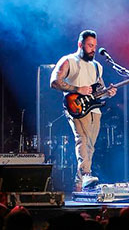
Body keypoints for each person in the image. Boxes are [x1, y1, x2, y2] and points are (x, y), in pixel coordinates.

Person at [50, 30, 116, 191]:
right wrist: (77, 88)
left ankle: (79, 184)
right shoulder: (68, 60)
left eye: (95, 46)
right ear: (80, 45)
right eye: (89, 45)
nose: (93, 49)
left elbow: (98, 90)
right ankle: (86, 173)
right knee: (83, 139)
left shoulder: (97, 66)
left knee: (90, 146)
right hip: (76, 106)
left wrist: (108, 93)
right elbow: (54, 82)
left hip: (94, 109)